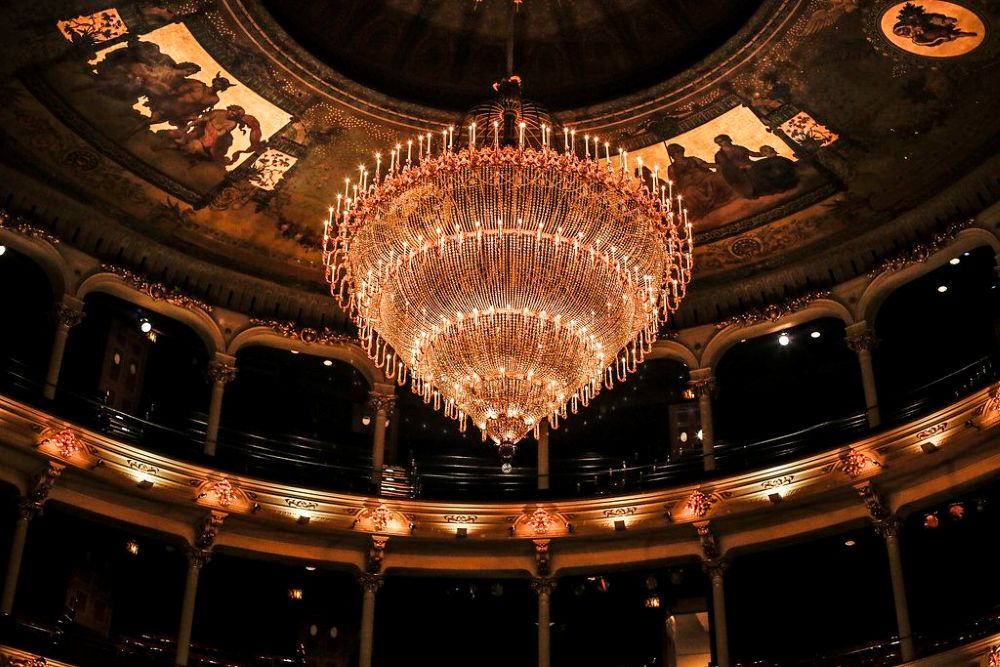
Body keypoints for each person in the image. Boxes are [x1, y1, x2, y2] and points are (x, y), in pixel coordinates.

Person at [664, 143, 733, 218]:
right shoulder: (672, 168)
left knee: (713, 177)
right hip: (688, 184)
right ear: (672, 155)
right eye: (676, 153)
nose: (679, 154)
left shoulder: (693, 159)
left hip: (702, 177)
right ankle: (705, 208)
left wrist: (721, 165)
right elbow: (673, 182)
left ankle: (723, 198)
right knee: (690, 191)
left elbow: (705, 165)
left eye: (679, 152)